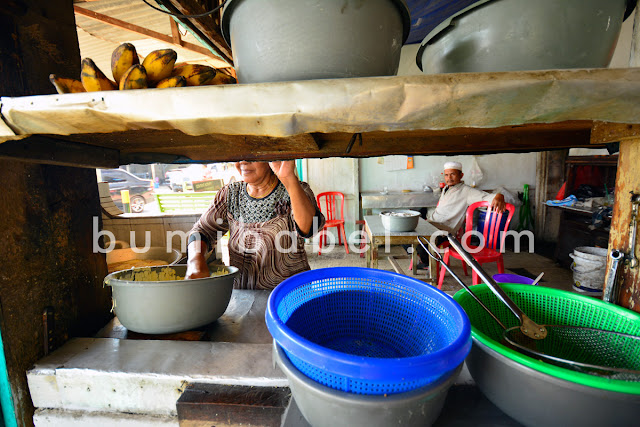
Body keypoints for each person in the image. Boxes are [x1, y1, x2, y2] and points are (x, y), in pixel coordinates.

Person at [185, 160, 325, 290]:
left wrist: (289, 178)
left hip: (290, 295)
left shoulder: (295, 190)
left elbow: (310, 229)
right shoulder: (231, 194)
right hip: (244, 295)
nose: (243, 162)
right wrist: (195, 261)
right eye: (239, 156)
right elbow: (202, 231)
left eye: (252, 156)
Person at [414, 161, 506, 269]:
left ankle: (427, 264)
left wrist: (499, 195)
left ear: (461, 175)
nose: (449, 178)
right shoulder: (446, 188)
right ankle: (422, 257)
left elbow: (487, 197)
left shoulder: (466, 191)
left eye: (453, 174)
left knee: (420, 240)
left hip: (445, 231)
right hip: (433, 224)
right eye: (447, 175)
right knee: (404, 233)